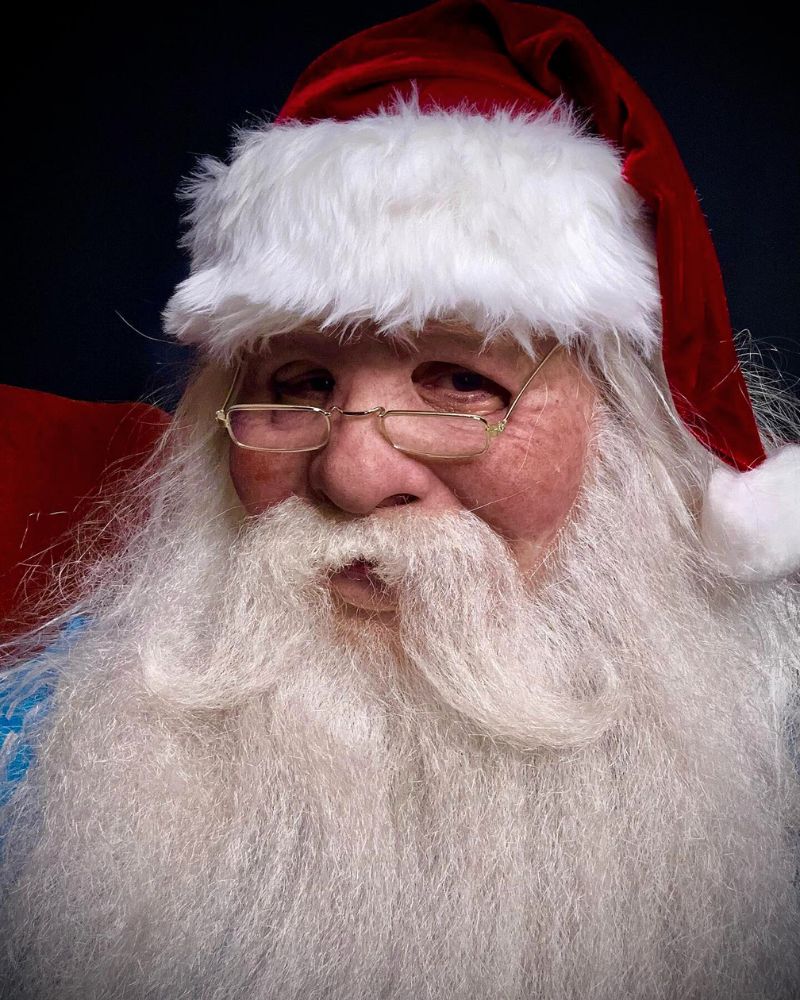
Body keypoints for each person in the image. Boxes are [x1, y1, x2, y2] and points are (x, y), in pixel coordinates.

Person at [1, 1, 798, 997]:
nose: (350, 475)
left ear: (628, 438)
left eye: (462, 383)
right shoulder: (36, 766)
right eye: (295, 384)